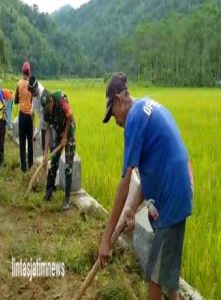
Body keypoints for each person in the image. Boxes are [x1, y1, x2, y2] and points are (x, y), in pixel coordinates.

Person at [98, 72, 193, 300]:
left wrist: (106, 237)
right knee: (168, 281)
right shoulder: (145, 108)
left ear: (119, 101)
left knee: (154, 277)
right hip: (178, 192)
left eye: (113, 115)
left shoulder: (134, 119)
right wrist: (131, 209)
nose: (117, 122)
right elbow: (147, 176)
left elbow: (124, 182)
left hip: (171, 198)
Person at [41, 90, 76, 211]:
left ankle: (67, 199)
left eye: (48, 107)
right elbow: (47, 132)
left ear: (51, 100)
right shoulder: (45, 111)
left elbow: (70, 116)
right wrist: (45, 154)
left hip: (68, 131)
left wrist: (65, 137)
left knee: (68, 166)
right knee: (53, 162)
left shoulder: (60, 99)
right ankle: (49, 191)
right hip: (59, 132)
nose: (48, 110)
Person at [14, 61, 33, 173]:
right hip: (30, 116)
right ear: (29, 72)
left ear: (22, 71)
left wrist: (21, 98)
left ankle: (23, 168)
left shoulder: (19, 83)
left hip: (22, 116)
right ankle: (31, 165)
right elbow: (33, 100)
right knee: (30, 142)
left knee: (22, 142)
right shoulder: (31, 84)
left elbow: (16, 100)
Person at [28, 75, 55, 152]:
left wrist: (36, 133)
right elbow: (33, 99)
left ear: (36, 89)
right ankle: (45, 161)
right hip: (43, 123)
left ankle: (53, 163)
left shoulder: (42, 96)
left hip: (49, 121)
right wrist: (32, 110)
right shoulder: (34, 89)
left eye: (33, 92)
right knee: (44, 146)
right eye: (31, 93)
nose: (32, 95)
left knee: (52, 144)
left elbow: (43, 117)